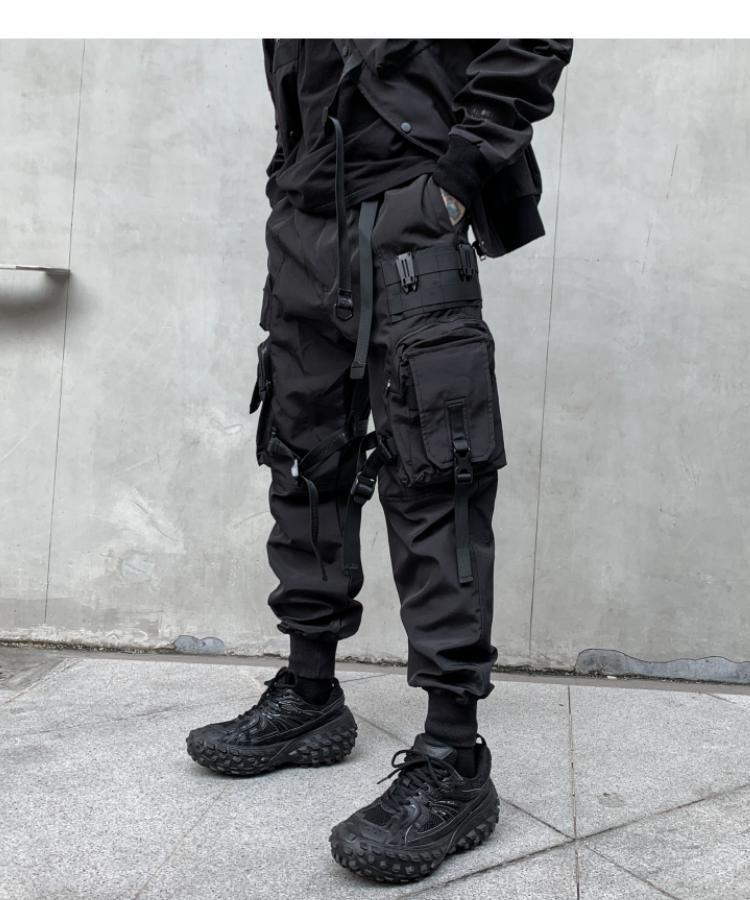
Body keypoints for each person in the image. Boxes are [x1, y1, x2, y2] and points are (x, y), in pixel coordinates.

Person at [186, 38, 573, 884]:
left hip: (410, 206)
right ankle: (310, 695)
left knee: (438, 474)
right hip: (305, 218)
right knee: (301, 457)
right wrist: (289, 175)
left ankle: (453, 759)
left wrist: (456, 178)